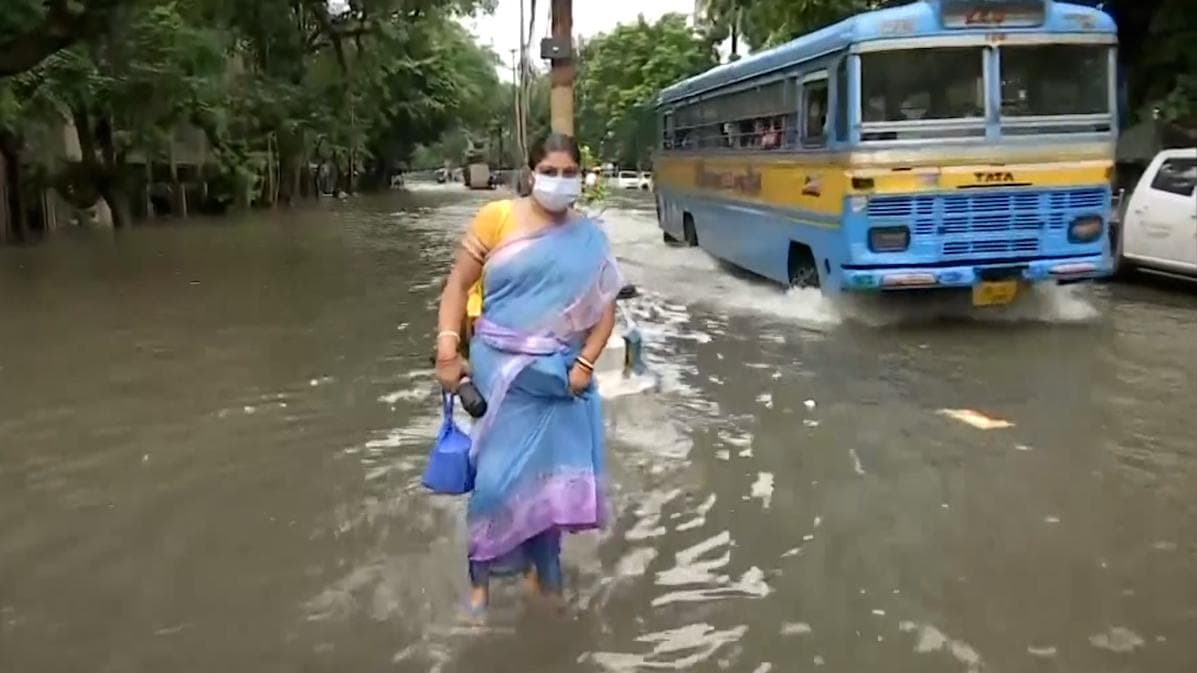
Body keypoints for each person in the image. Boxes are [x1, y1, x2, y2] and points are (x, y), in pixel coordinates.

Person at [434, 133, 622, 613]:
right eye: (550, 171)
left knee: (550, 485)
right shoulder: (497, 218)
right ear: (531, 171)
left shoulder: (590, 237)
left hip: (560, 379)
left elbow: (604, 311)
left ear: (581, 176)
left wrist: (584, 364)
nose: (559, 181)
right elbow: (458, 284)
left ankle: (547, 579)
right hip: (503, 375)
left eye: (569, 173)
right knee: (495, 483)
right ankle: (479, 586)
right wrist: (447, 348)